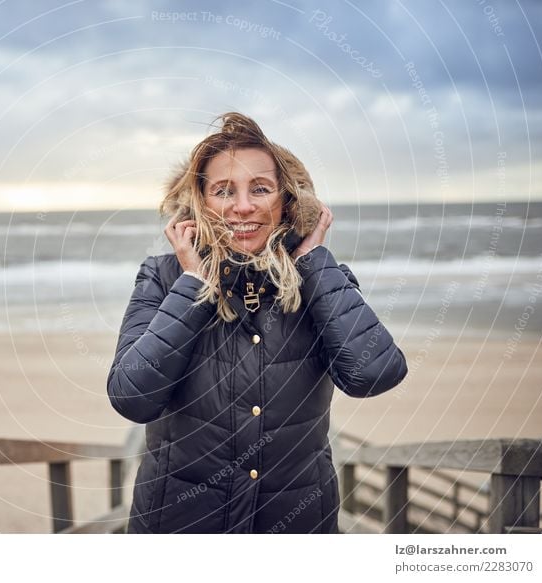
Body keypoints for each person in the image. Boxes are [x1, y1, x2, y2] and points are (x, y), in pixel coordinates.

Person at [106, 112, 408, 534]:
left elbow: (374, 374)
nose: (243, 206)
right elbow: (131, 396)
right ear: (200, 203)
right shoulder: (164, 277)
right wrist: (195, 283)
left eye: (260, 189)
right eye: (223, 190)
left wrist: (314, 264)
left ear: (287, 202)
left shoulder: (321, 280)